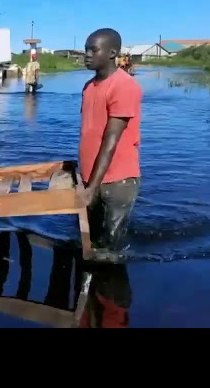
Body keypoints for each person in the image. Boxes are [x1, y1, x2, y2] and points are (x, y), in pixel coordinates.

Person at [79, 28, 142, 258]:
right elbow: (89, 132)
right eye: (85, 49)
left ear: (112, 52)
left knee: (112, 244)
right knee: (92, 238)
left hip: (118, 180)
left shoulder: (123, 86)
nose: (86, 55)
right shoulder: (88, 87)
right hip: (92, 176)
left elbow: (110, 140)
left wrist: (93, 188)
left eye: (93, 50)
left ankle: (111, 291)